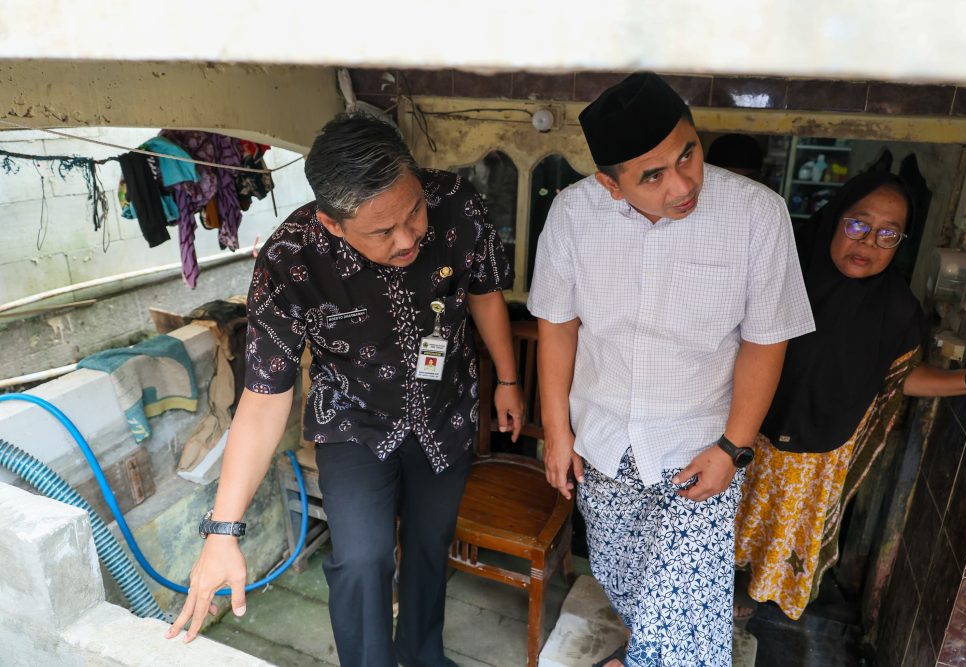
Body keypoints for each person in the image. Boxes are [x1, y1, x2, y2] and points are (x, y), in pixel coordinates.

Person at [165, 113, 524, 667]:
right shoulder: (290, 259)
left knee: (430, 546)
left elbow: (482, 293)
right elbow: (264, 395)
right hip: (353, 420)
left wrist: (508, 379)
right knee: (361, 560)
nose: (409, 238)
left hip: (446, 411)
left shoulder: (456, 203)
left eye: (414, 212)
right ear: (333, 224)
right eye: (382, 231)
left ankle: (421, 655)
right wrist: (222, 532)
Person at [527, 72, 816, 667]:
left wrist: (733, 447)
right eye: (652, 176)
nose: (683, 184)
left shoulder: (757, 215)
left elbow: (766, 341)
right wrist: (556, 431)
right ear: (610, 184)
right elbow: (558, 325)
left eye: (688, 154)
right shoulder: (573, 215)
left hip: (699, 449)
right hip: (604, 443)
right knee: (627, 581)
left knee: (684, 619)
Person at [733, 170, 966, 622]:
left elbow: (901, 379)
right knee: (709, 545)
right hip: (739, 438)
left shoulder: (898, 310)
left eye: (888, 234)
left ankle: (740, 614)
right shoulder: (780, 274)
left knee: (764, 561)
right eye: (858, 224)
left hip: (813, 461)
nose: (868, 242)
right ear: (833, 218)